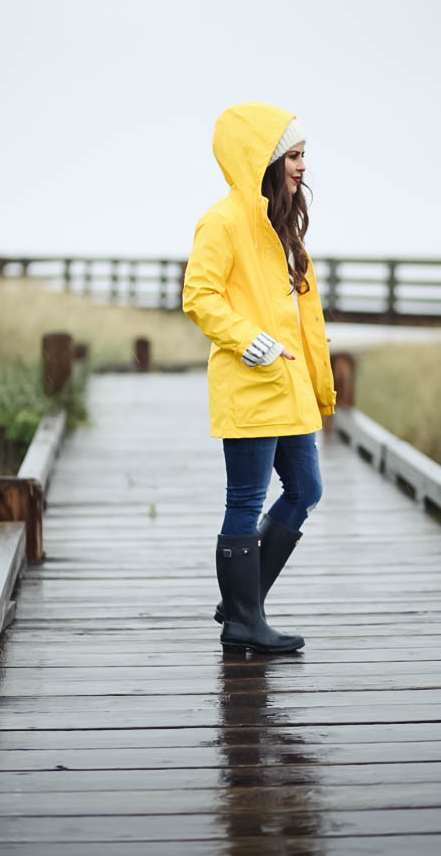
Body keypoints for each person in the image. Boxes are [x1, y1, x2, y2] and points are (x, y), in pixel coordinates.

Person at [182, 101, 336, 653]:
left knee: (306, 490)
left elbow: (304, 320)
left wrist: (317, 382)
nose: (301, 167)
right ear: (265, 161)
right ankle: (245, 619)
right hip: (250, 383)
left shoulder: (284, 228)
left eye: (302, 156)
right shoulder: (222, 221)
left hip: (289, 388)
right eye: (292, 155)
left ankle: (241, 603)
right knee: (245, 500)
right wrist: (251, 342)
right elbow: (198, 296)